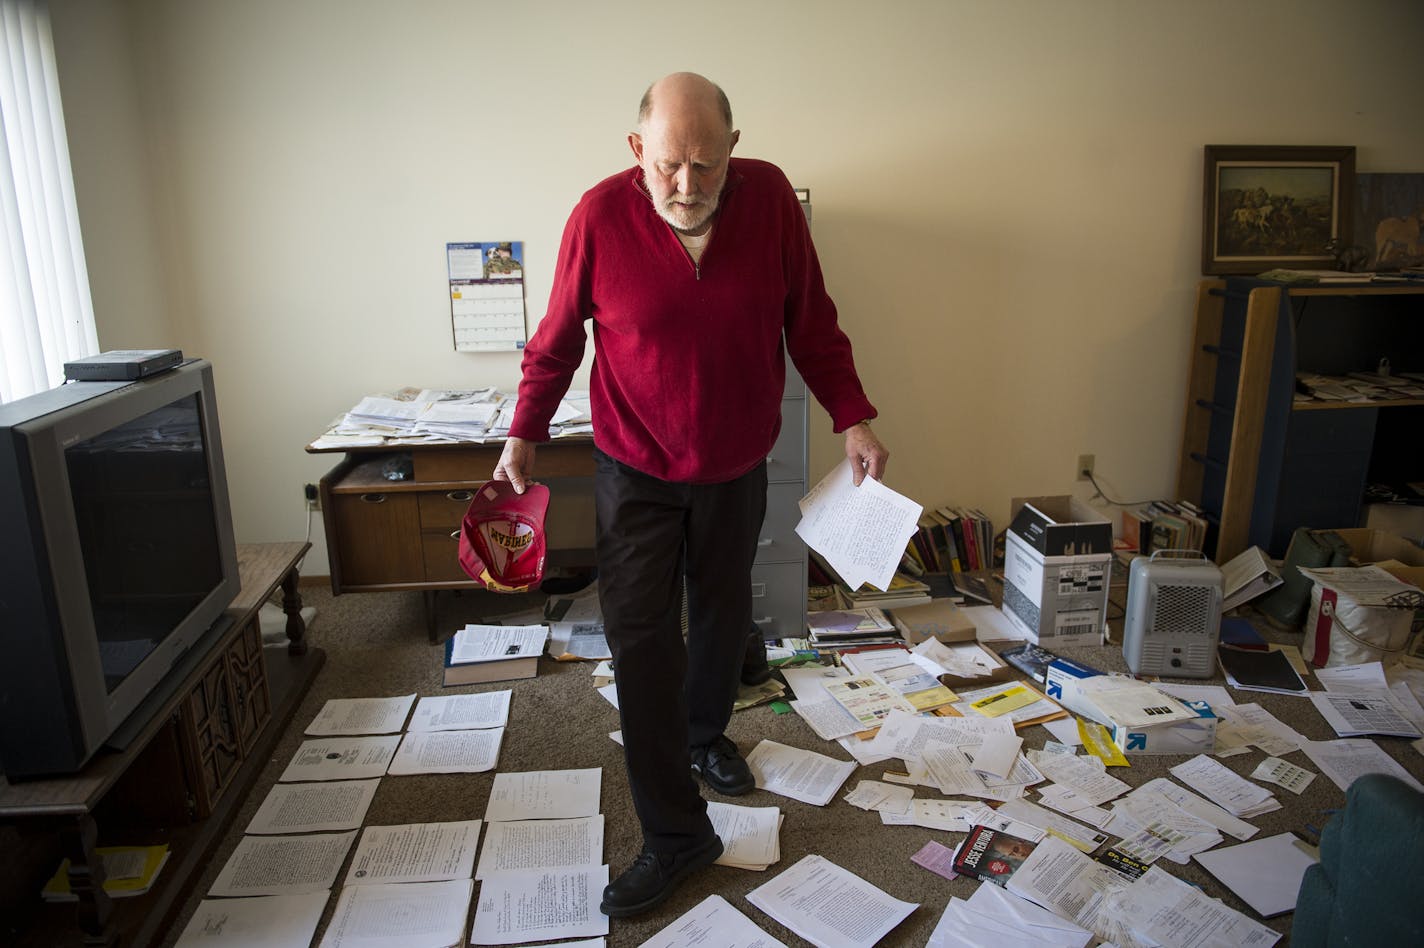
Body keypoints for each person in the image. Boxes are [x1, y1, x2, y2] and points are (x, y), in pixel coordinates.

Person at [493, 71, 888, 917]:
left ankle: (705, 735)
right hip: (634, 466)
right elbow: (557, 340)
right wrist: (523, 430)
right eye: (670, 164)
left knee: (719, 612)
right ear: (639, 151)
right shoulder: (599, 216)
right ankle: (677, 836)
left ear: (734, 153)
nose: (686, 186)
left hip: (736, 460)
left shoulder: (773, 199)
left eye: (706, 167)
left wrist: (853, 419)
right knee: (640, 641)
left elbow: (811, 321)